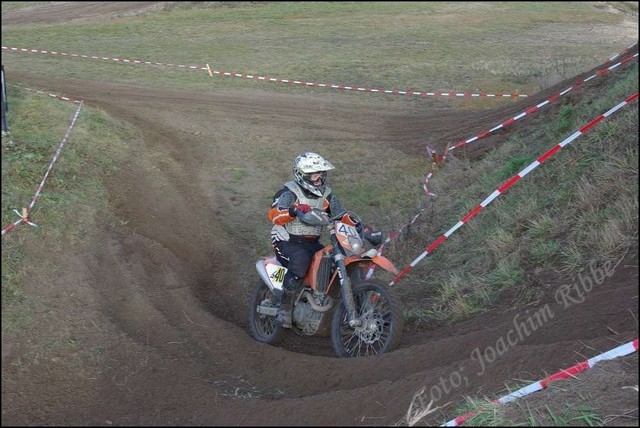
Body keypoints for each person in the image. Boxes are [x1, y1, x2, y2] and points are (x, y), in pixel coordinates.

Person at [267, 151, 363, 328]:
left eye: (321, 174)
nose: (319, 178)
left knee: (330, 262)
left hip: (312, 243)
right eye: (314, 175)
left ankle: (334, 306)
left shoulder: (327, 195)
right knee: (300, 260)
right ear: (302, 175)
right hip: (287, 241)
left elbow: (340, 215)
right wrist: (293, 210)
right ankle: (284, 309)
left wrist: (356, 223)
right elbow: (274, 215)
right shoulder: (289, 192)